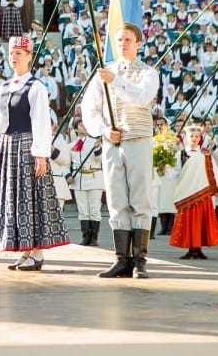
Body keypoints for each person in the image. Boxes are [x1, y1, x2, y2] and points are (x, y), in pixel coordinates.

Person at [80, 22, 159, 278]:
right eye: (119, 39)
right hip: (113, 142)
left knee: (140, 199)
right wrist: (103, 129)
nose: (123, 43)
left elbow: (143, 97)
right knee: (116, 200)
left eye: (128, 39)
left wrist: (117, 81)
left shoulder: (148, 72)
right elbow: (89, 109)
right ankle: (121, 258)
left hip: (138, 139)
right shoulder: (104, 74)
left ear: (138, 43)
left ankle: (140, 260)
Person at [0, 36, 69, 270]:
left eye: (19, 53)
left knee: (31, 198)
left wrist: (40, 153)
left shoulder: (36, 87)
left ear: (29, 57)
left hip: (27, 146)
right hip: (8, 146)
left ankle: (36, 251)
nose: (14, 57)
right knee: (14, 198)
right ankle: (24, 249)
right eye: (12, 53)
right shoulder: (4, 87)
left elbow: (40, 120)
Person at [169, 124, 218, 259]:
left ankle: (198, 248)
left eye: (197, 136)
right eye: (191, 136)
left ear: (200, 138)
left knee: (200, 221)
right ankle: (190, 248)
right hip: (186, 192)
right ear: (186, 137)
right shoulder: (181, 154)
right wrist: (165, 165)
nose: (194, 139)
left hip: (202, 192)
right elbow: (173, 174)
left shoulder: (206, 154)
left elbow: (214, 172)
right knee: (189, 221)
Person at [69, 121, 104, 246]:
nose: (84, 126)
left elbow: (100, 160)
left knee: (94, 209)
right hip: (78, 179)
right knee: (83, 210)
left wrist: (98, 149)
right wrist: (68, 175)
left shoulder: (95, 142)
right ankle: (85, 237)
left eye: (85, 124)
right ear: (76, 129)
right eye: (80, 125)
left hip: (94, 177)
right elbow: (67, 165)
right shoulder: (71, 145)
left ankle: (94, 238)